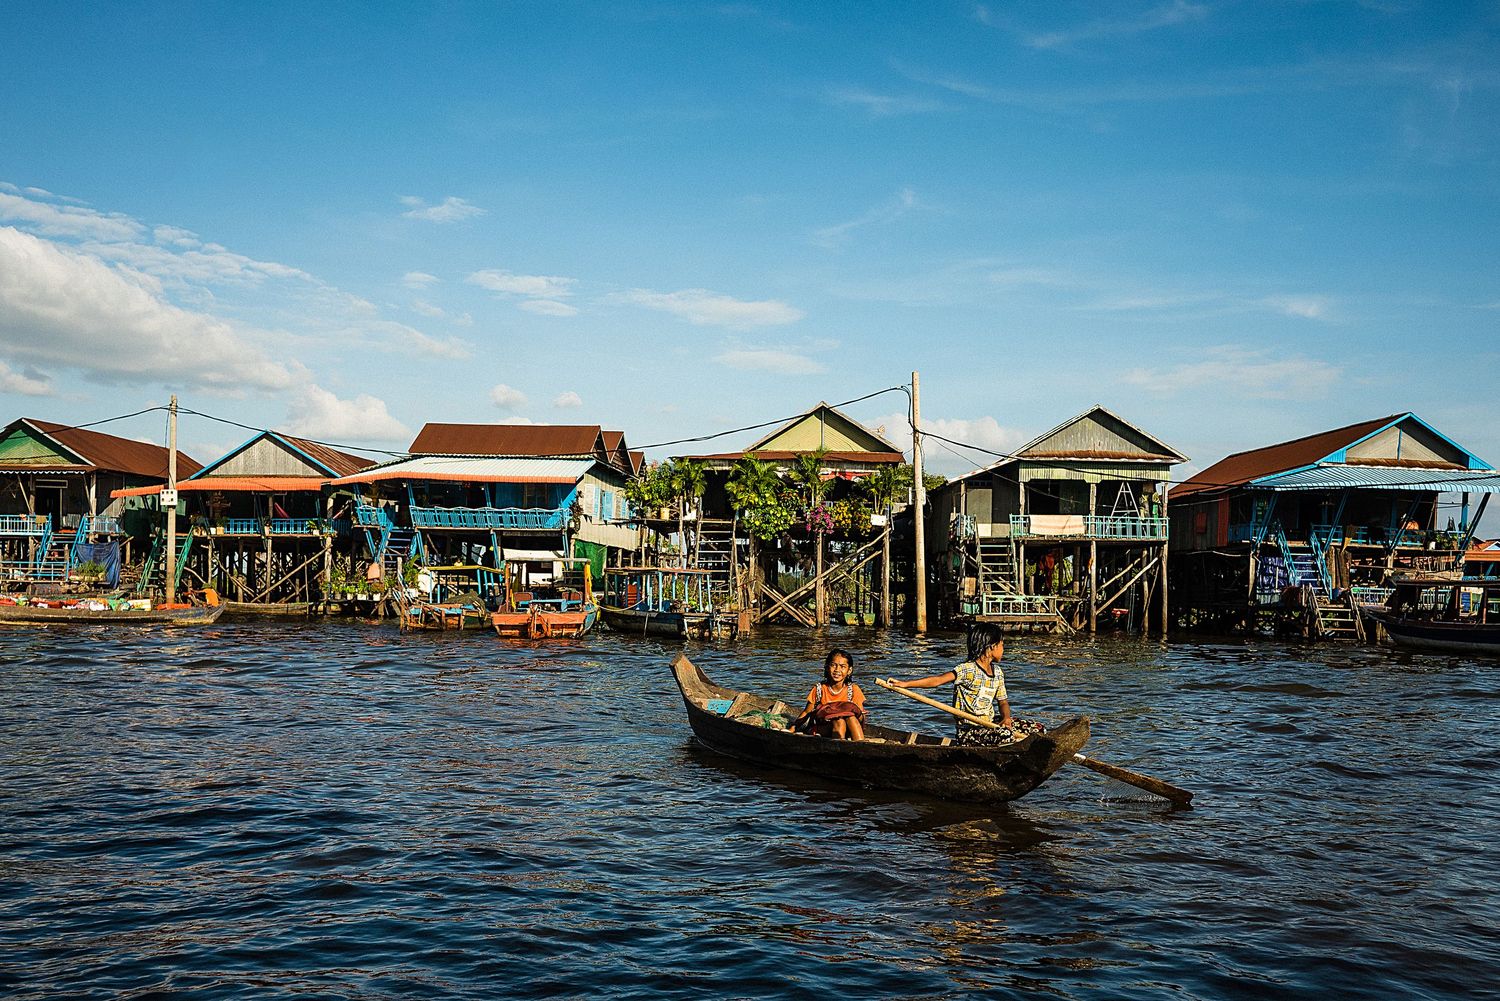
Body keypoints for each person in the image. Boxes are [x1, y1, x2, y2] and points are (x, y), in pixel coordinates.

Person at [886, 623, 1043, 746]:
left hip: (989, 724)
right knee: (1006, 736)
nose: (1003, 649)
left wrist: (1006, 718)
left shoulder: (998, 673)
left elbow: (1003, 702)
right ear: (991, 647)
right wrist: (905, 684)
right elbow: (937, 680)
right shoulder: (967, 670)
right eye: (1002, 645)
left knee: (1037, 729)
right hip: (970, 732)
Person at [788, 649, 866, 740]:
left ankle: (860, 744)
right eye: (833, 665)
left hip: (848, 729)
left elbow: (861, 717)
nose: (837, 670)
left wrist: (848, 712)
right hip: (823, 728)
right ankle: (837, 748)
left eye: (842, 666)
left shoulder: (853, 690)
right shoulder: (819, 689)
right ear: (827, 667)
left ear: (849, 670)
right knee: (839, 721)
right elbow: (806, 712)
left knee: (851, 717)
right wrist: (792, 728)